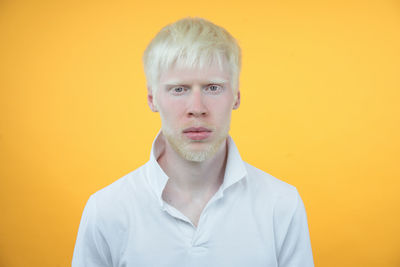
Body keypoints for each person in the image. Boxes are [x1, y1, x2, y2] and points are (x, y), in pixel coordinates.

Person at [72, 17, 314, 267]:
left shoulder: (281, 204)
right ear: (152, 99)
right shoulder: (106, 210)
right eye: (179, 89)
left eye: (213, 88)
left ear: (237, 96)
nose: (197, 108)